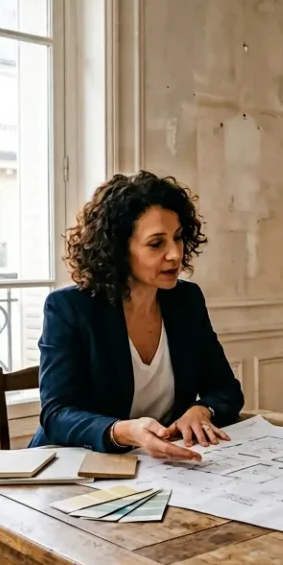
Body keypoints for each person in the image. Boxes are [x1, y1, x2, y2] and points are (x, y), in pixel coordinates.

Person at [30, 171, 244, 462]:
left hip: (156, 467)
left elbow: (226, 389)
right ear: (118, 249)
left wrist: (201, 410)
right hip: (75, 462)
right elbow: (57, 414)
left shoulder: (186, 300)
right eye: (156, 244)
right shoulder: (69, 307)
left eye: (178, 238)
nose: (175, 254)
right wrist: (123, 431)